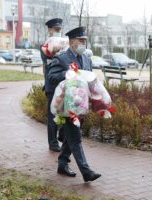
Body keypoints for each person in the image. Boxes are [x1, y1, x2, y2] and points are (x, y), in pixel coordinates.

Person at [48, 27, 101, 182]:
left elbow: (88, 77)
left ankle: (62, 163)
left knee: (70, 137)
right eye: (80, 40)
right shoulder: (62, 58)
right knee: (75, 138)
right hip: (67, 106)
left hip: (82, 105)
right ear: (72, 42)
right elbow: (51, 77)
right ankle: (86, 172)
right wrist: (67, 73)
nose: (83, 43)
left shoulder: (86, 58)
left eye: (85, 40)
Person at [40, 18, 64, 152]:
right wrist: (55, 52)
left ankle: (62, 135)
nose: (57, 32)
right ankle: (53, 142)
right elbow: (48, 65)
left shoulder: (65, 44)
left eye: (59, 30)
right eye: (55, 30)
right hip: (52, 84)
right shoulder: (45, 46)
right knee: (52, 114)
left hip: (64, 84)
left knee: (65, 112)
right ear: (49, 30)